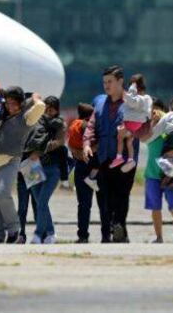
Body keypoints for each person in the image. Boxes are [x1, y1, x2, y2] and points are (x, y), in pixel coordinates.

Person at [82, 65, 140, 243]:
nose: (106, 85)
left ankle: (119, 227)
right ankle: (113, 229)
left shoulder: (132, 102)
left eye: (110, 82)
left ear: (120, 81)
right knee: (106, 196)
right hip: (105, 158)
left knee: (122, 195)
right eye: (104, 82)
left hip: (125, 160)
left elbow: (142, 125)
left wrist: (130, 133)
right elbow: (91, 126)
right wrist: (86, 143)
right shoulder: (99, 103)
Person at [0, 87, 45, 243]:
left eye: (13, 103)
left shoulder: (26, 117)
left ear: (21, 103)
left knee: (2, 194)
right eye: (7, 102)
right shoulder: (1, 115)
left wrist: (35, 96)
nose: (10, 106)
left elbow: (41, 107)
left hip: (10, 160)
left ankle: (13, 229)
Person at [137, 96, 173, 244]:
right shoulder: (150, 126)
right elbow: (143, 139)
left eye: (155, 109)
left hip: (172, 171)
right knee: (155, 207)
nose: (152, 112)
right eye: (150, 110)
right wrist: (152, 122)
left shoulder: (170, 124)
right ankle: (159, 237)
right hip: (152, 173)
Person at [23, 96, 67, 244]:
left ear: (57, 110)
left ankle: (37, 234)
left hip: (52, 169)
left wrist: (39, 150)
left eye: (52, 109)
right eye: (46, 108)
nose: (48, 112)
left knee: (42, 202)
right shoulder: (36, 122)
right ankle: (50, 233)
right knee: (40, 202)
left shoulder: (60, 125)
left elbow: (59, 142)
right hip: (33, 167)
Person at [111, 74, 152, 172]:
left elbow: (132, 101)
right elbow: (148, 111)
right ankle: (130, 159)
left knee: (120, 137)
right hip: (138, 124)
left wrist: (131, 89)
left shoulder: (134, 95)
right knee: (129, 141)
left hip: (130, 122)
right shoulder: (147, 98)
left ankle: (119, 157)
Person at [69, 102, 95, 243]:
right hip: (94, 166)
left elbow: (71, 146)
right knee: (104, 203)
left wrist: (77, 153)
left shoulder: (74, 125)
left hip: (80, 167)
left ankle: (83, 235)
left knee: (83, 204)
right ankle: (106, 233)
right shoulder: (88, 125)